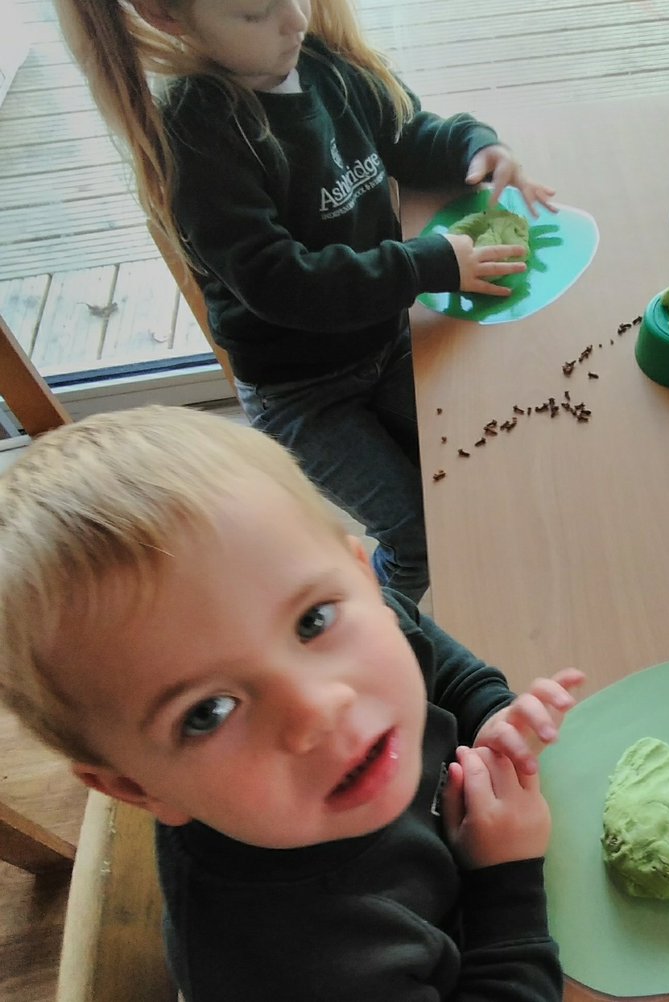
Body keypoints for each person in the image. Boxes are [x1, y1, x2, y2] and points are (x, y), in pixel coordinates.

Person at [0, 405, 585, 1001]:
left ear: (364, 578)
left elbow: (421, 648)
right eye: (208, 713)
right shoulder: (289, 965)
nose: (317, 710)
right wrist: (505, 882)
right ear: (138, 790)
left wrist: (490, 712)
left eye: (312, 622)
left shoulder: (354, 616)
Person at [52, 0, 557, 604]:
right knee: (415, 536)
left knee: (471, 467)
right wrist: (430, 262)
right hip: (303, 393)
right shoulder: (198, 129)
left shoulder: (320, 63)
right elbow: (282, 283)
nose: (295, 20)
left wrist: (473, 147)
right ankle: (387, 633)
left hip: (386, 343)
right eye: (256, 14)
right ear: (168, 17)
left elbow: (404, 133)